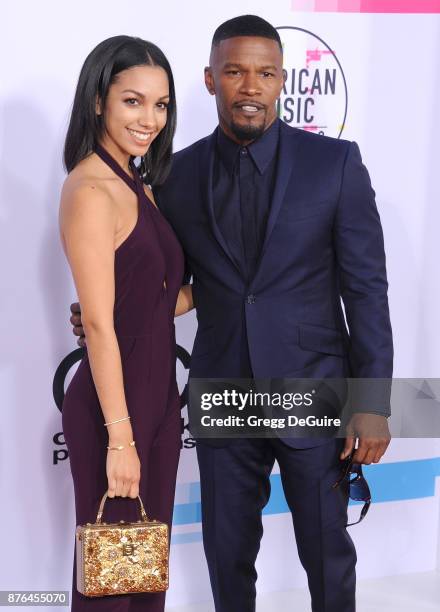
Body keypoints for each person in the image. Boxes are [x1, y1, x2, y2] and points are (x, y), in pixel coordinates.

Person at [70, 16, 392, 612]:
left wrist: (370, 402)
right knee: (222, 555)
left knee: (327, 555)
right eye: (236, 72)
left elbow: (367, 289)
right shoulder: (172, 175)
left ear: (281, 81)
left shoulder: (335, 164)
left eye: (265, 73)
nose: (251, 86)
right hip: (218, 393)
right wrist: (105, 309)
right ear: (211, 79)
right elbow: (172, 281)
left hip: (312, 392)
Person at [60, 35, 193, 612]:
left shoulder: (139, 184)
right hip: (116, 409)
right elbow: (99, 324)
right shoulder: (91, 188)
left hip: (158, 401)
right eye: (133, 102)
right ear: (98, 100)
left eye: (161, 105)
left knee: (144, 579)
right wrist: (121, 438)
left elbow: (160, 302)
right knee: (110, 582)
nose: (150, 119)